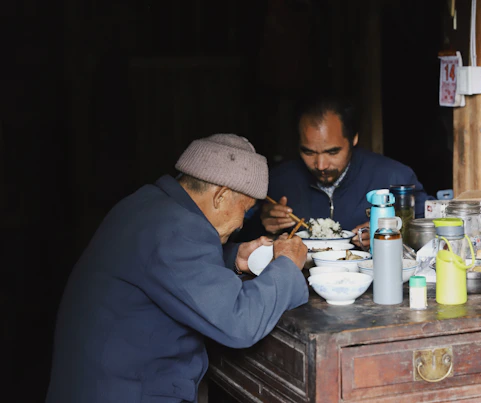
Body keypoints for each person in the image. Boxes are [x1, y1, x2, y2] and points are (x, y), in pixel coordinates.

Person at [45, 134, 309, 403]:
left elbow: (169, 266)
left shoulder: (146, 204)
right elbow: (239, 323)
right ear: (220, 196)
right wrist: (286, 265)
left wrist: (234, 257)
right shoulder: (179, 230)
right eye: (245, 209)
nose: (241, 224)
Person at [238, 93, 434, 249]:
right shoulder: (277, 182)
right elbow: (235, 245)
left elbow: (431, 231)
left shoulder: (394, 178)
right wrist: (262, 225)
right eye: (308, 152)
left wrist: (392, 231)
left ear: (354, 139)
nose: (321, 165)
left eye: (332, 152)